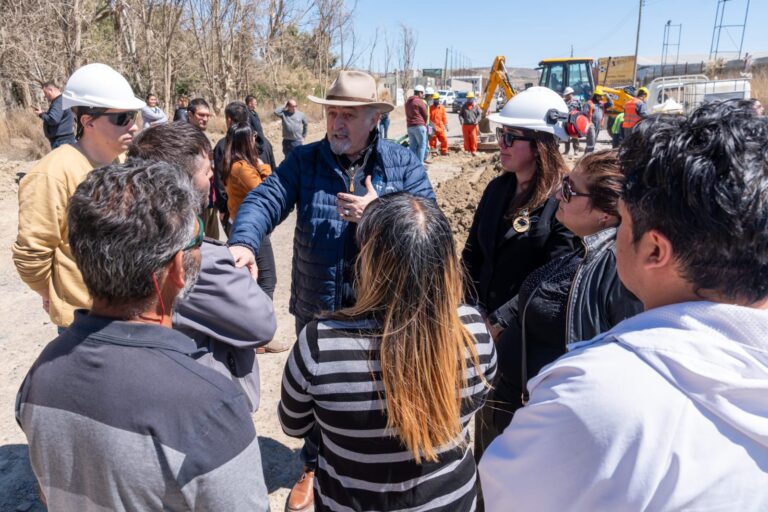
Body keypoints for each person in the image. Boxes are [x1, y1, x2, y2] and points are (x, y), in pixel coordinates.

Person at [479, 100, 768, 510]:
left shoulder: (593, 402)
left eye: (624, 222)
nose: (613, 237)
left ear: (654, 249)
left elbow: (505, 496)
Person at [228, 70, 434, 512]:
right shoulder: (306, 160)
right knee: (321, 392)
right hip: (319, 305)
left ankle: (382, 464)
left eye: (348, 115)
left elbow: (430, 225)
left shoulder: (402, 164)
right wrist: (244, 242)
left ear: (375, 119)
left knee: (382, 390)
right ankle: (314, 465)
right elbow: (266, 199)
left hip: (384, 308)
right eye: (332, 113)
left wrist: (379, 213)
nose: (337, 123)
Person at [16, 160, 269, 511]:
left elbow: (48, 491)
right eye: (197, 237)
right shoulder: (209, 403)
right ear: (177, 269)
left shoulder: (42, 372)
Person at [279, 192, 497, 511]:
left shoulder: (320, 343)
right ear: (446, 261)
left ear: (370, 260)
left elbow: (293, 425)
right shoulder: (473, 330)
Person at [480, 149, 643, 449]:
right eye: (564, 182)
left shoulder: (619, 273)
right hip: (515, 404)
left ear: (605, 214)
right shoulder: (585, 251)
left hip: (546, 428)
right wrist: (501, 319)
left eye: (569, 190)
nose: (557, 194)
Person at [127, 121, 278, 407]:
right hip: (206, 399)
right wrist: (244, 281)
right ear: (182, 182)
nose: (212, 178)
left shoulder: (124, 239)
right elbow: (262, 324)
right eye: (206, 171)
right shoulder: (199, 259)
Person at [462, 86, 575, 462]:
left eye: (511, 136)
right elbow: (473, 252)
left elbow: (557, 275)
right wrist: (468, 308)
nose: (501, 142)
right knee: (483, 423)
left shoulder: (564, 201)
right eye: (500, 134)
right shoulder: (498, 189)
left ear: (541, 143)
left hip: (526, 346)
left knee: (508, 436)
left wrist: (502, 320)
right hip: (481, 331)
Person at [13, 63, 144, 331]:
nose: (133, 126)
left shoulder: (122, 161)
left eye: (133, 116)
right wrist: (54, 294)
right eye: (122, 118)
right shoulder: (52, 174)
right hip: (84, 322)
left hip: (128, 311)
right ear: (88, 121)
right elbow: (31, 254)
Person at [33, 81, 75, 149]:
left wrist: (41, 114)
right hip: (64, 140)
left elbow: (53, 119)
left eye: (45, 93)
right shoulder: (61, 100)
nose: (45, 96)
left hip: (62, 141)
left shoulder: (59, 102)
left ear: (51, 90)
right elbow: (56, 117)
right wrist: (43, 113)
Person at [583, 88, 613, 153]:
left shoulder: (601, 104)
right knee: (591, 139)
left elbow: (611, 104)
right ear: (595, 95)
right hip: (591, 124)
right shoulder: (589, 103)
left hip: (598, 124)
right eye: (599, 96)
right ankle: (588, 155)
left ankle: (587, 154)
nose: (600, 97)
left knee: (594, 140)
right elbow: (584, 113)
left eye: (601, 96)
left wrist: (607, 96)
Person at [405, 84, 429, 163]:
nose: (422, 95)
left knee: (412, 146)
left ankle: (412, 163)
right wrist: (424, 124)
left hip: (410, 127)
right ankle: (420, 164)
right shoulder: (419, 101)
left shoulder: (408, 102)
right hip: (419, 126)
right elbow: (425, 114)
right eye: (422, 93)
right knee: (422, 146)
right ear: (420, 93)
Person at [458, 91, 481, 156]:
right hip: (465, 125)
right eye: (468, 98)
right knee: (466, 138)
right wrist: (461, 120)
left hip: (473, 125)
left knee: (474, 138)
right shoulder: (464, 106)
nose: (469, 99)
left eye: (471, 98)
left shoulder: (476, 106)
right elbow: (460, 115)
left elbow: (479, 114)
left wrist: (477, 120)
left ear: (473, 98)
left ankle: (473, 151)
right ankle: (467, 150)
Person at [562, 86, 582, 155]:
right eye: (566, 95)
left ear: (571, 94)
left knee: (574, 135)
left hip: (574, 121)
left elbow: (580, 110)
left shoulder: (577, 101)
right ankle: (566, 150)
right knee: (565, 135)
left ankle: (576, 150)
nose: (567, 96)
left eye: (568, 95)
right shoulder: (563, 101)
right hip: (565, 120)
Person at [429, 91, 449, 156]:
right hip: (431, 127)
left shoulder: (442, 108)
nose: (435, 100)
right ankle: (433, 151)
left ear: (438, 99)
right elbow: (427, 118)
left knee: (444, 140)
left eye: (436, 99)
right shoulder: (430, 108)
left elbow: (444, 117)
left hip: (440, 127)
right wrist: (428, 128)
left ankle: (444, 151)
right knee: (432, 141)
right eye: (434, 99)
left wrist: (446, 125)